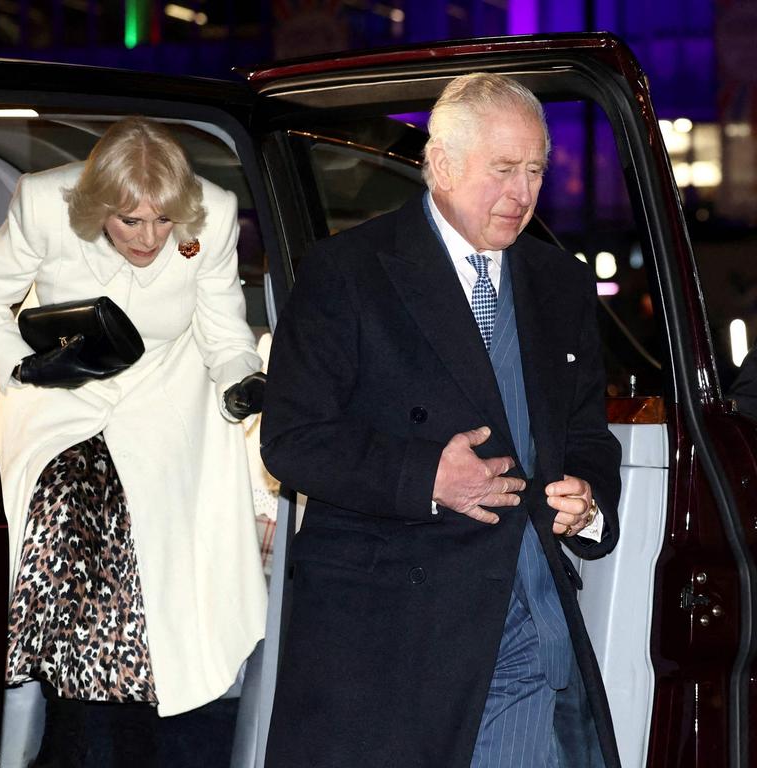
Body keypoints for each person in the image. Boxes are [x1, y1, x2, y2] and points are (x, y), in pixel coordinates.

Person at [260, 73, 623, 767]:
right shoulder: (348, 271)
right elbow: (293, 438)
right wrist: (426, 474)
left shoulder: (560, 281)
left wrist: (587, 495)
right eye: (504, 170)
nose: (521, 194)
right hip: (390, 634)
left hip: (525, 618)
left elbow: (584, 432)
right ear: (443, 163)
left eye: (536, 171)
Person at [0, 116, 267, 767]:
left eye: (164, 223)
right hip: (63, 409)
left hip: (165, 408)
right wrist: (24, 364)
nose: (151, 238)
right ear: (99, 206)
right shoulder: (45, 203)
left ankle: (102, 726)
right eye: (132, 222)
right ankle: (64, 708)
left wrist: (243, 382)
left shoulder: (211, 215)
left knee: (160, 581)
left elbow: (223, 330)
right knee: (73, 506)